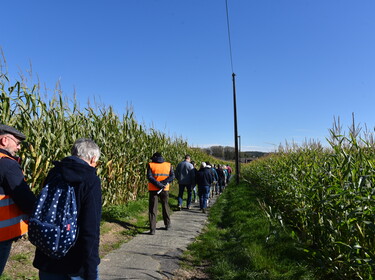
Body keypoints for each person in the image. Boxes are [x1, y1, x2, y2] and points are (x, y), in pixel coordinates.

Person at [33, 138, 102, 280]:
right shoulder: (90, 180)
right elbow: (90, 229)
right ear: (93, 158)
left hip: (47, 257)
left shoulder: (54, 172)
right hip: (75, 264)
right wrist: (91, 269)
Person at [0, 125, 36, 276]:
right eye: (18, 143)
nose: (19, 147)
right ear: (4, 140)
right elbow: (25, 199)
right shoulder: (7, 164)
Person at [147, 152, 175, 235]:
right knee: (165, 206)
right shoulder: (168, 165)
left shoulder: (151, 165)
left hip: (153, 189)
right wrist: (163, 183)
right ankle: (167, 224)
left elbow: (149, 176)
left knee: (153, 209)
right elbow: (172, 176)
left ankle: (152, 229)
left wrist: (158, 184)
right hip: (165, 189)